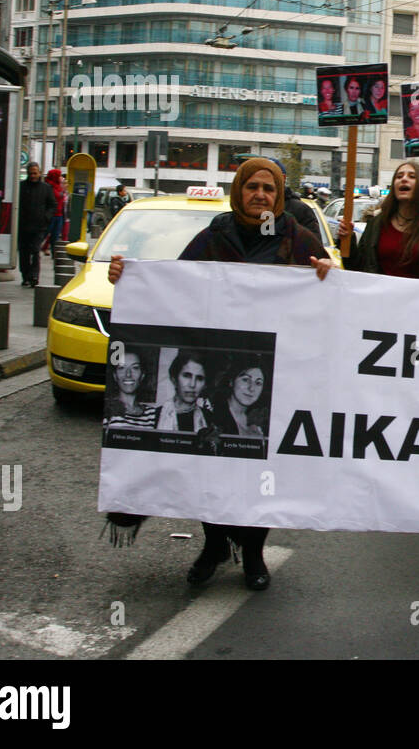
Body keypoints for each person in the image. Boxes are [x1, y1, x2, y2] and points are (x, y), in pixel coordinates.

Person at [107, 157, 334, 589]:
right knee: (215, 462)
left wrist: (325, 274)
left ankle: (252, 552)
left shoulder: (298, 239)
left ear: (280, 195)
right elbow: (172, 285)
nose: (261, 195)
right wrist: (129, 277)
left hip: (274, 375)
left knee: (260, 469)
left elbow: (330, 300)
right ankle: (213, 545)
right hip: (222, 369)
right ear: (238, 191)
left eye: (269, 188)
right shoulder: (214, 236)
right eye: (253, 187)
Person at [354, 161, 419, 279]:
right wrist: (347, 241)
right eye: (399, 176)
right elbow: (358, 267)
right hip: (381, 296)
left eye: (412, 176)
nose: (404, 179)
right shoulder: (376, 224)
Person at [210, 356, 268, 438]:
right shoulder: (212, 415)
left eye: (258, 383)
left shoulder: (260, 423)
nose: (251, 388)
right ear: (231, 381)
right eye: (245, 380)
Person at [17, 162, 54, 287]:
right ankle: (25, 275)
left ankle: (34, 276)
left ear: (39, 173)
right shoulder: (21, 187)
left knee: (35, 250)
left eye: (35, 173)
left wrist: (46, 217)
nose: (33, 176)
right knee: (24, 252)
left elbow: (52, 205)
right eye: (30, 173)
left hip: (39, 227)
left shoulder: (46, 188)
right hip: (23, 226)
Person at [103, 349, 156, 431]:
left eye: (135, 368)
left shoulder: (152, 414)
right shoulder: (107, 409)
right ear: (115, 376)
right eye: (121, 368)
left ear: (142, 375)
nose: (128, 374)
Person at [43, 167, 67, 251]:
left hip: (59, 214)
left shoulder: (58, 186)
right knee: (46, 233)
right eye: (59, 175)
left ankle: (54, 252)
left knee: (55, 235)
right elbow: (57, 196)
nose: (61, 177)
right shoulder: (49, 186)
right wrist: (63, 191)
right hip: (52, 215)